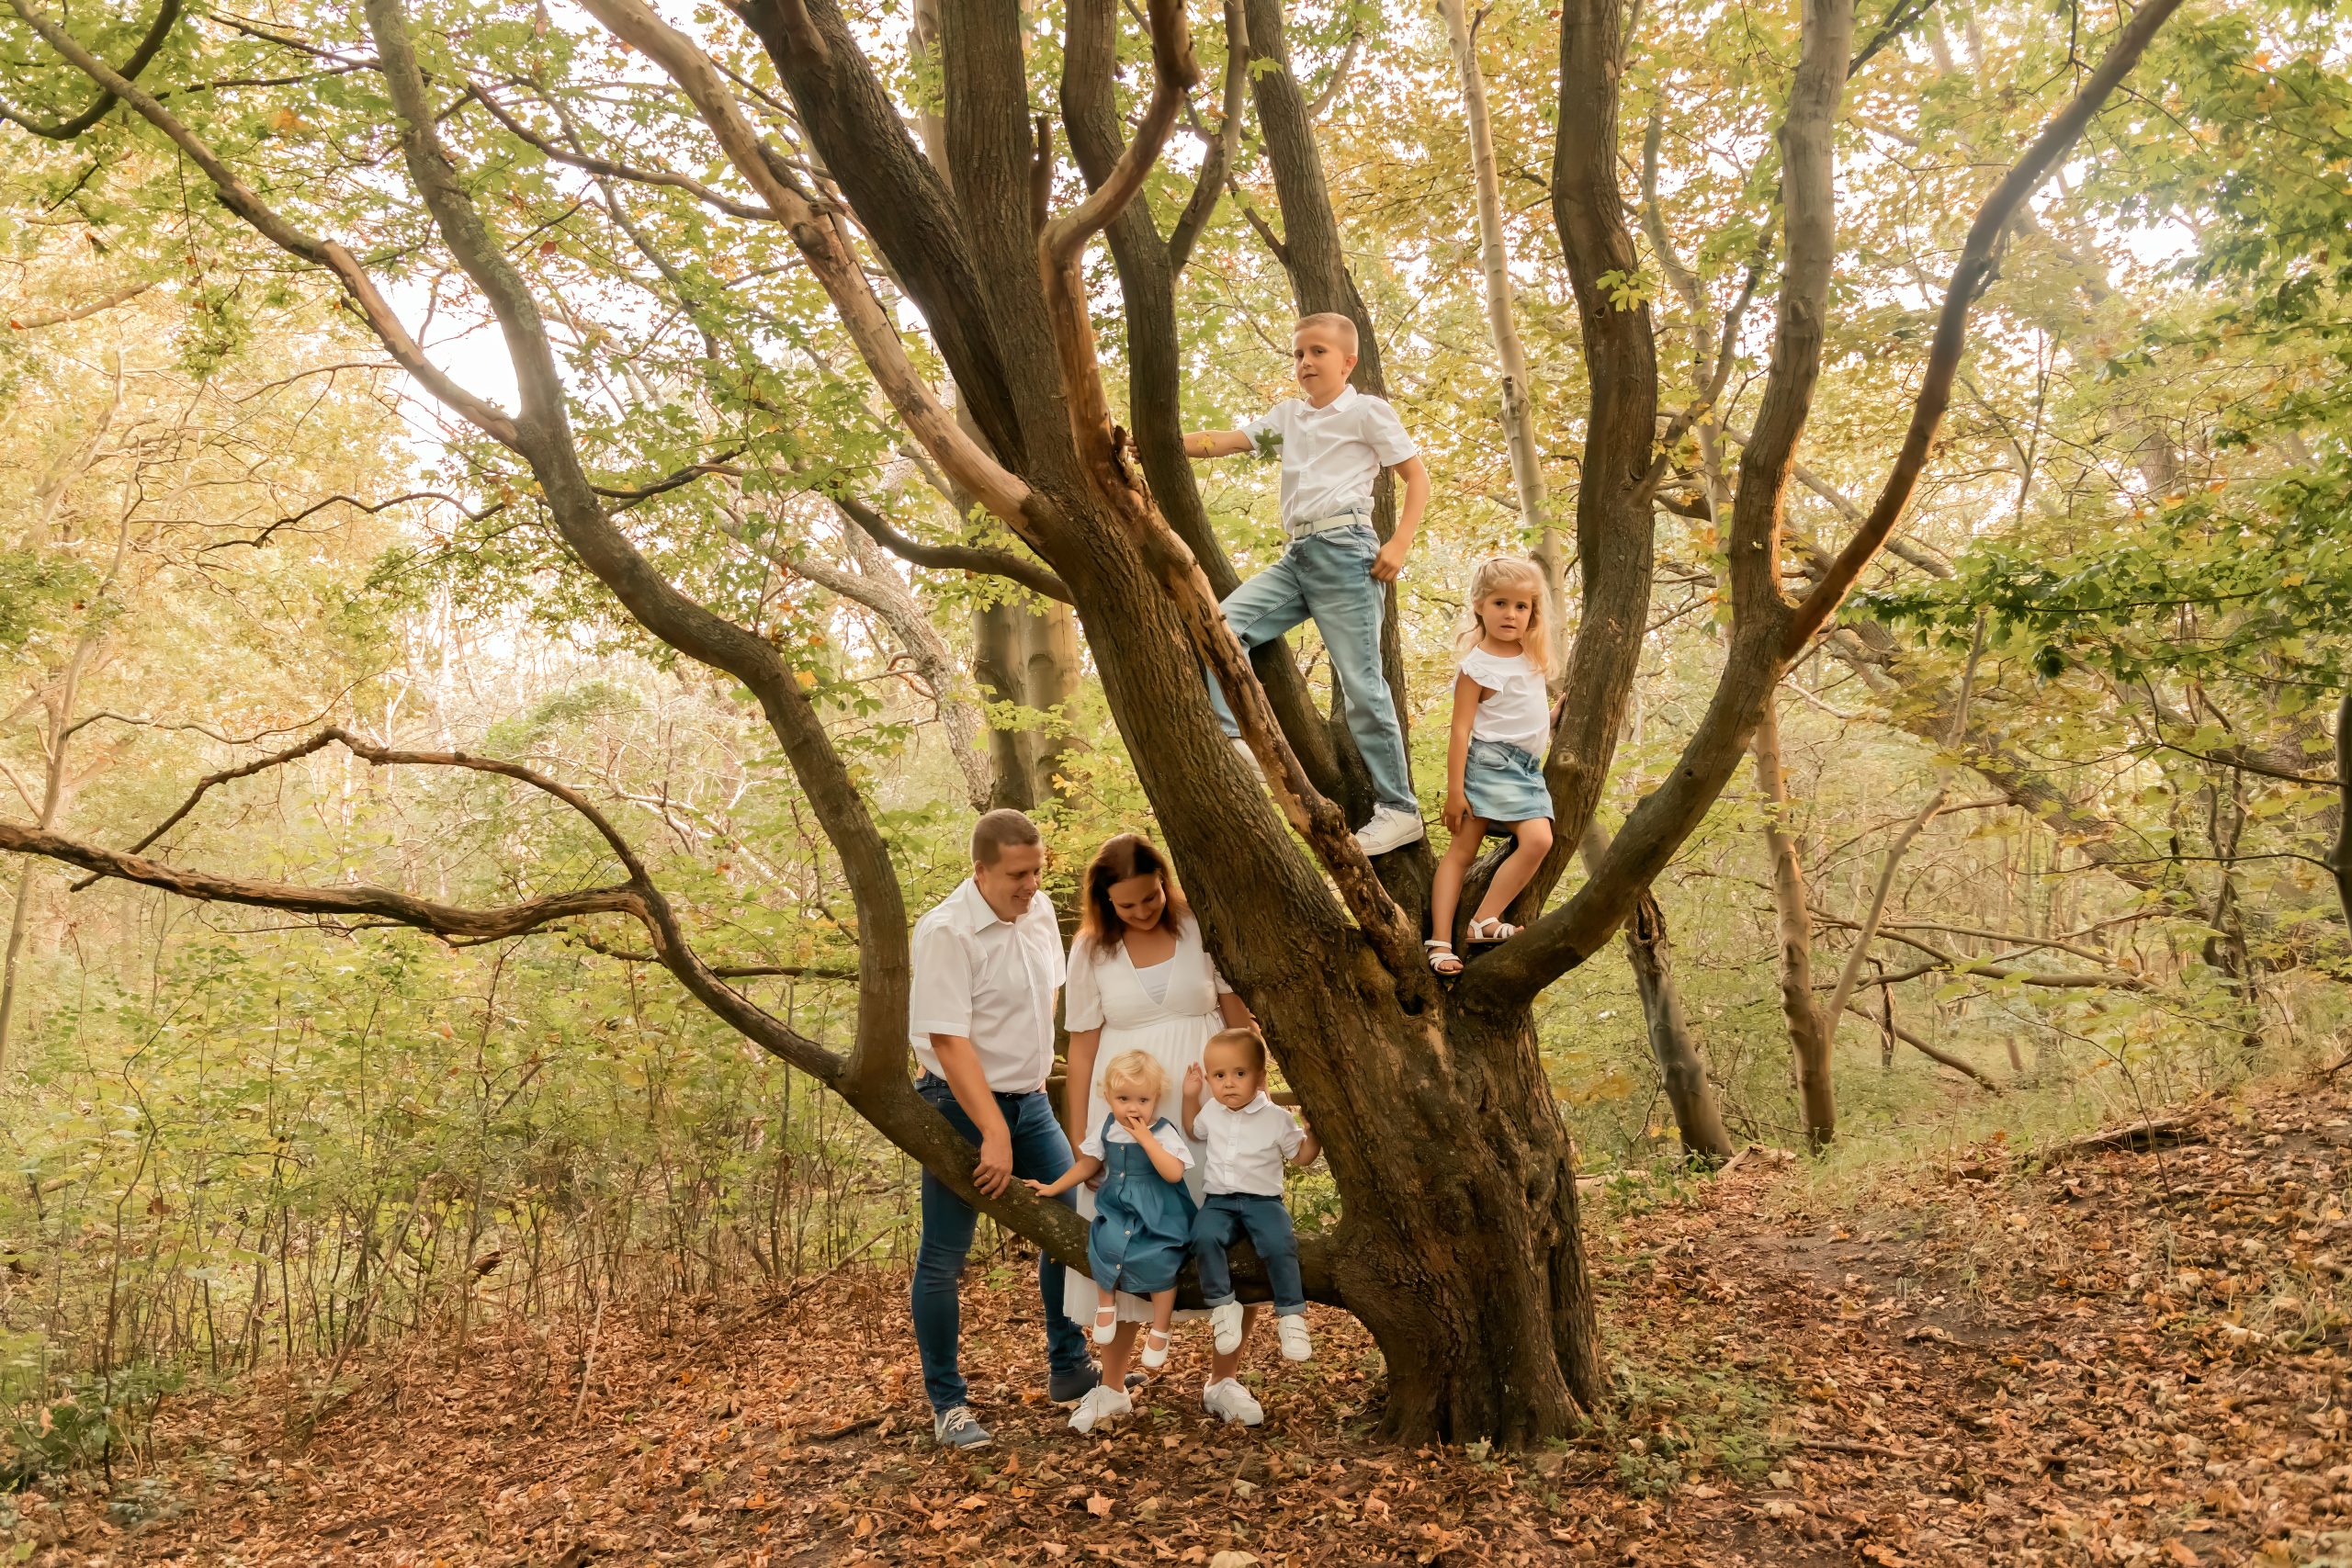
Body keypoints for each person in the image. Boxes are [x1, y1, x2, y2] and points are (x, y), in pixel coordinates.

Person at [1183, 312, 1431, 859]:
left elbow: (1417, 476)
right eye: (1298, 354)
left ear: (1347, 362)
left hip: (1347, 554)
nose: (1305, 363)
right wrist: (1155, 444)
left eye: (1317, 352)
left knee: (1362, 686)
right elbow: (1223, 441)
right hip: (1298, 556)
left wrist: (1399, 544)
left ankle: (1400, 811)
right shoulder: (1289, 417)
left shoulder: (1366, 411)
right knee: (1221, 625)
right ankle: (1236, 740)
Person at [1059, 833, 1267, 1430]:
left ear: (1163, 882)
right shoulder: (1092, 951)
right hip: (1128, 1116)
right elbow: (1081, 1050)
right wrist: (1084, 1142)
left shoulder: (1199, 928)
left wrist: (1254, 1098)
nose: (1143, 911)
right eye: (1128, 905)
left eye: (1150, 897)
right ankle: (1113, 1385)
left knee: (1233, 1228)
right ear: (1105, 901)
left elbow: (1238, 1019)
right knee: (1129, 1237)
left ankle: (1223, 1379)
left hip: (1210, 1107)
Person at [906, 807, 1099, 1450]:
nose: (1032, 884)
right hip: (960, 1105)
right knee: (944, 1254)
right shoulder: (946, 932)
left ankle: (1068, 1366)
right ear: (981, 870)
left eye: (1038, 869)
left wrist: (1034, 1073)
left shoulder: (1037, 912)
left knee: (1067, 1229)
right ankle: (948, 1404)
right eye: (1019, 873)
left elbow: (1047, 994)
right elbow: (947, 1039)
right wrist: (992, 1130)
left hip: (1030, 1099)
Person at [1027, 1052, 1197, 1431]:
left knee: (1161, 1260)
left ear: (1156, 1100)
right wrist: (1053, 1186)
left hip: (1158, 1212)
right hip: (1118, 1209)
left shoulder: (1163, 1130)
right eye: (1124, 1100)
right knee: (1101, 1245)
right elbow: (1089, 1165)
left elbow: (1172, 1174)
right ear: (1109, 1098)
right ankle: (1106, 1306)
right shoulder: (1106, 1127)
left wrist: (1145, 1138)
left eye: (1142, 1100)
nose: (1133, 1108)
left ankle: (1161, 1328)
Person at [1427, 557, 1560, 976]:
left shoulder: (1531, 659)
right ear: (1480, 605)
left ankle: (1482, 920)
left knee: (1538, 841)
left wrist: (1554, 716)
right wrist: (1454, 791)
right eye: (1501, 603)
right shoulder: (1477, 667)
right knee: (1464, 851)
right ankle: (1442, 942)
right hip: (1487, 762)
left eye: (1522, 607)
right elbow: (1461, 731)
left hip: (1524, 769)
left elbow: (1523, 717)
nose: (1511, 614)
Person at [1182, 1028, 1320, 1361]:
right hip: (1220, 1201)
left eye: (1239, 1073)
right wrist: (1190, 1097)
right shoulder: (1212, 1112)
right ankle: (1222, 1307)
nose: (1228, 1083)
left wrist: (1315, 1133)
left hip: (1263, 1202)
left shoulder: (1276, 1118)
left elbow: (1301, 1157)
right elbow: (1192, 1131)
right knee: (1202, 1236)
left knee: (1279, 1243)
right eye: (1219, 1075)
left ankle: (1290, 1315)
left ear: (1259, 1078)